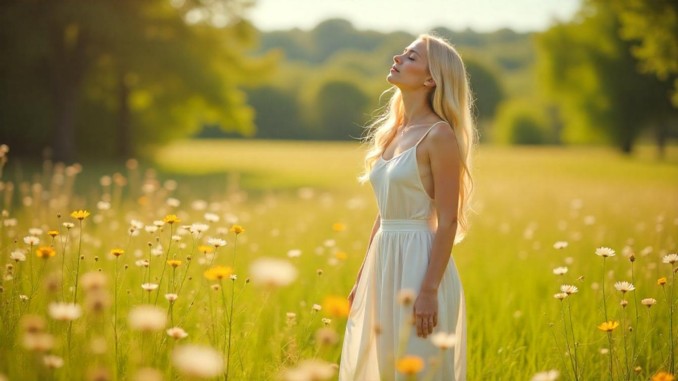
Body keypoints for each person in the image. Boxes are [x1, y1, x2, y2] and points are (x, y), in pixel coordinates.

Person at [338, 34, 476, 381]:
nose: (399, 57)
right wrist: (361, 276)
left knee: (417, 368)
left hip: (419, 264)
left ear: (431, 79)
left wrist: (428, 290)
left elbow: (447, 222)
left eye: (412, 57)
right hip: (384, 260)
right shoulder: (394, 132)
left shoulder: (440, 135)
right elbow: (385, 213)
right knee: (383, 366)